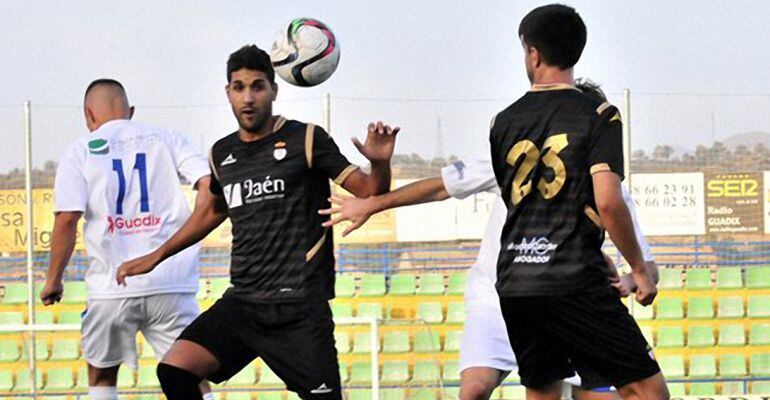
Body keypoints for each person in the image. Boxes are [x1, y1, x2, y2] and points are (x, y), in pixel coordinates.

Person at [319, 79, 657, 400]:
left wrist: (629, 279)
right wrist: (374, 203)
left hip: (564, 297)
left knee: (572, 392)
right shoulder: (516, 160)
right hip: (498, 296)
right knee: (475, 389)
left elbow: (646, 265)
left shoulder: (611, 190)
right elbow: (440, 186)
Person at [116, 45, 400, 400]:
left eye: (257, 86)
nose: (248, 98)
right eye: (239, 87)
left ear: (274, 90)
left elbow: (371, 191)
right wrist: (155, 256)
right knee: (175, 370)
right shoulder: (222, 154)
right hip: (244, 304)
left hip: (298, 307)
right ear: (228, 93)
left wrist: (380, 164)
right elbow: (212, 212)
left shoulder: (306, 139)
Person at [489, 4, 668, 400]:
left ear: (533, 53)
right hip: (570, 276)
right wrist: (638, 268)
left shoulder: (501, 121)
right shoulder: (599, 114)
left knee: (542, 391)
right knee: (647, 391)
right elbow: (608, 200)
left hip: (515, 279)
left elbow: (522, 204)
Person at [39, 79, 214, 400]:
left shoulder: (80, 152)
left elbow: (67, 218)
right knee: (190, 375)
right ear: (130, 112)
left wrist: (54, 280)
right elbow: (208, 181)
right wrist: (196, 219)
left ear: (89, 115)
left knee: (102, 375)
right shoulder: (167, 137)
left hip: (111, 287)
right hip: (171, 283)